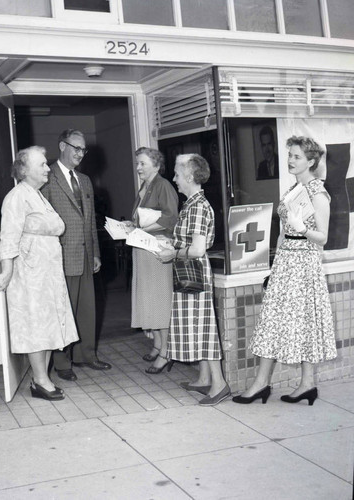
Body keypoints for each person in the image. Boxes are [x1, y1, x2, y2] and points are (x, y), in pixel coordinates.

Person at [233, 136, 337, 406]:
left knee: (301, 323)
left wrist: (302, 229)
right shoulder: (293, 190)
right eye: (289, 155)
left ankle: (303, 383)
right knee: (272, 321)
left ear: (311, 161)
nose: (290, 160)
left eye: (297, 157)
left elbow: (323, 238)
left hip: (304, 263)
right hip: (285, 262)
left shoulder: (318, 194)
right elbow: (281, 232)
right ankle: (266, 383)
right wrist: (275, 263)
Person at [0, 146, 79, 401]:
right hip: (30, 273)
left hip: (47, 272)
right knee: (37, 326)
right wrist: (6, 270)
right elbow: (7, 237)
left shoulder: (37, 195)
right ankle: (40, 380)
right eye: (41, 164)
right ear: (24, 170)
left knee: (50, 324)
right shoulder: (17, 197)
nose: (47, 168)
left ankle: (41, 379)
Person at [158, 154, 229, 406]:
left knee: (203, 327)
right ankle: (203, 379)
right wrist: (171, 245)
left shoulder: (197, 207)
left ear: (189, 176)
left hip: (195, 272)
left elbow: (197, 249)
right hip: (190, 270)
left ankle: (219, 385)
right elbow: (189, 242)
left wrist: (173, 252)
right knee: (198, 325)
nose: (174, 179)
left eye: (177, 174)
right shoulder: (191, 203)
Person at [41, 129, 111, 381]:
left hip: (85, 255)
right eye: (76, 148)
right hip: (60, 256)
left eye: (84, 150)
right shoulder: (46, 177)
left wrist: (95, 253)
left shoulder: (85, 180)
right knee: (63, 310)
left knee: (86, 307)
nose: (81, 154)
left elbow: (90, 220)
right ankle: (62, 361)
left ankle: (86, 355)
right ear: (62, 146)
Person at [131, 147, 178, 373]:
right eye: (138, 163)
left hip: (158, 248)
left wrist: (142, 228)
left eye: (142, 163)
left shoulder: (163, 185)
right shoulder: (146, 186)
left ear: (156, 166)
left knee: (160, 303)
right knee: (151, 300)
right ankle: (158, 344)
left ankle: (166, 353)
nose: (138, 167)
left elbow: (171, 218)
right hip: (145, 248)